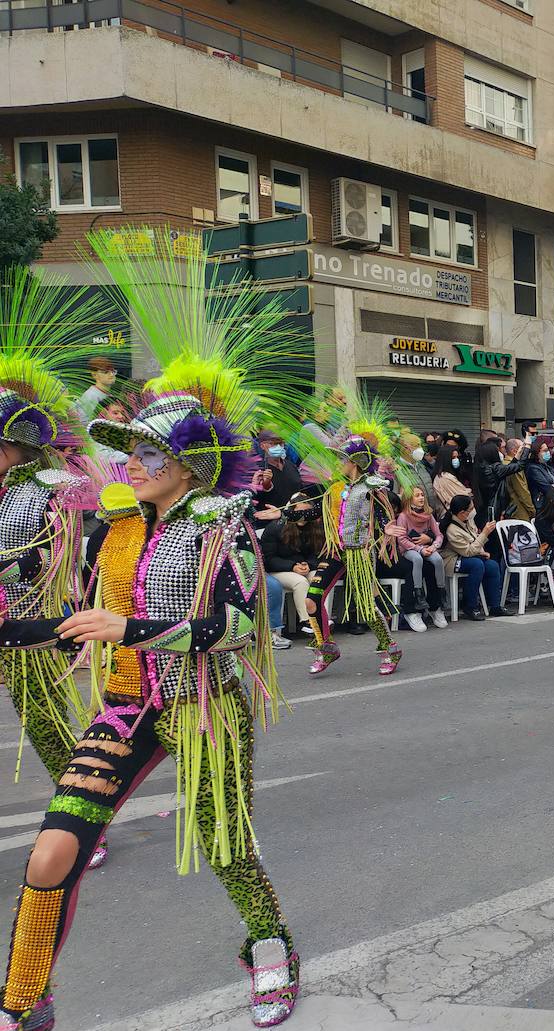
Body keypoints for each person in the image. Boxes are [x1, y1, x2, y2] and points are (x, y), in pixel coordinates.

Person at [0, 228, 299, 1030]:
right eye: (128, 449)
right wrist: (19, 632)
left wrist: (131, 625)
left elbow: (236, 623)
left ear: (192, 463)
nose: (130, 460)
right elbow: (79, 618)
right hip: (128, 704)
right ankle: (24, 1000)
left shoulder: (219, 522)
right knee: (51, 852)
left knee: (224, 842)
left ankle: (270, 946)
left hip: (203, 702)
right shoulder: (116, 530)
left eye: (147, 450)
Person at [0, 265, 115, 869]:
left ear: (20, 442)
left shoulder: (56, 485)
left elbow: (65, 558)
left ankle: (84, 823)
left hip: (30, 624)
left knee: (46, 725)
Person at [304, 411, 404, 677]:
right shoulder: (335, 489)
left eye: (342, 459)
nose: (338, 463)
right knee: (312, 601)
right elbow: (315, 511)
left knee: (367, 607)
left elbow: (383, 515)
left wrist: (387, 528)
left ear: (356, 462)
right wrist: (283, 513)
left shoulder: (371, 487)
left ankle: (390, 648)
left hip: (359, 553)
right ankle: (326, 647)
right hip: (335, 551)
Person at [261, 490, 324, 645]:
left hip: (303, 567)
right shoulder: (276, 528)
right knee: (300, 582)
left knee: (319, 577)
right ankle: (307, 621)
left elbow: (319, 554)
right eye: (299, 511)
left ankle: (321, 617)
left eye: (307, 512)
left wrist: (308, 565)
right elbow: (268, 559)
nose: (303, 515)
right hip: (278, 570)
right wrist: (292, 566)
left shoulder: (314, 528)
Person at [387, 486, 448, 631]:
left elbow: (439, 534)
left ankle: (439, 598)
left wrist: (433, 546)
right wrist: (420, 549)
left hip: (427, 547)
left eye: (422, 495)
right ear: (409, 499)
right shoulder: (403, 516)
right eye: (417, 495)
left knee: (437, 561)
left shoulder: (428, 515)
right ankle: (417, 597)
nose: (421, 498)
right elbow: (401, 539)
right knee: (417, 560)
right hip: (409, 550)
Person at [440, 495, 510, 620]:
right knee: (477, 565)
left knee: (492, 565)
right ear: (462, 512)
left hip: (471, 556)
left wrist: (482, 551)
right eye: (470, 509)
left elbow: (474, 539)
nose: (473, 511)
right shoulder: (452, 529)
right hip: (453, 560)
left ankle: (495, 605)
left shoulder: (468, 521)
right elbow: (468, 551)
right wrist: (485, 533)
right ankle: (470, 606)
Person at [75, 356, 118, 422]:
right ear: (94, 375)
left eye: (113, 371)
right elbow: (83, 423)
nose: (111, 375)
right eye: (106, 372)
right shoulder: (90, 396)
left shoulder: (107, 394)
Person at [502, 437, 535, 521]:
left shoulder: (504, 464)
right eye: (523, 448)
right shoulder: (515, 468)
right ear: (515, 451)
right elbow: (522, 492)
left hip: (511, 509)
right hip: (520, 512)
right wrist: (532, 511)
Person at [525, 435, 554, 513]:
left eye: (548, 450)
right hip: (542, 506)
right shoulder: (532, 468)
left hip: (553, 503)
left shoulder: (548, 466)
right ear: (537, 453)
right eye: (545, 451)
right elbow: (546, 488)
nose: (548, 452)